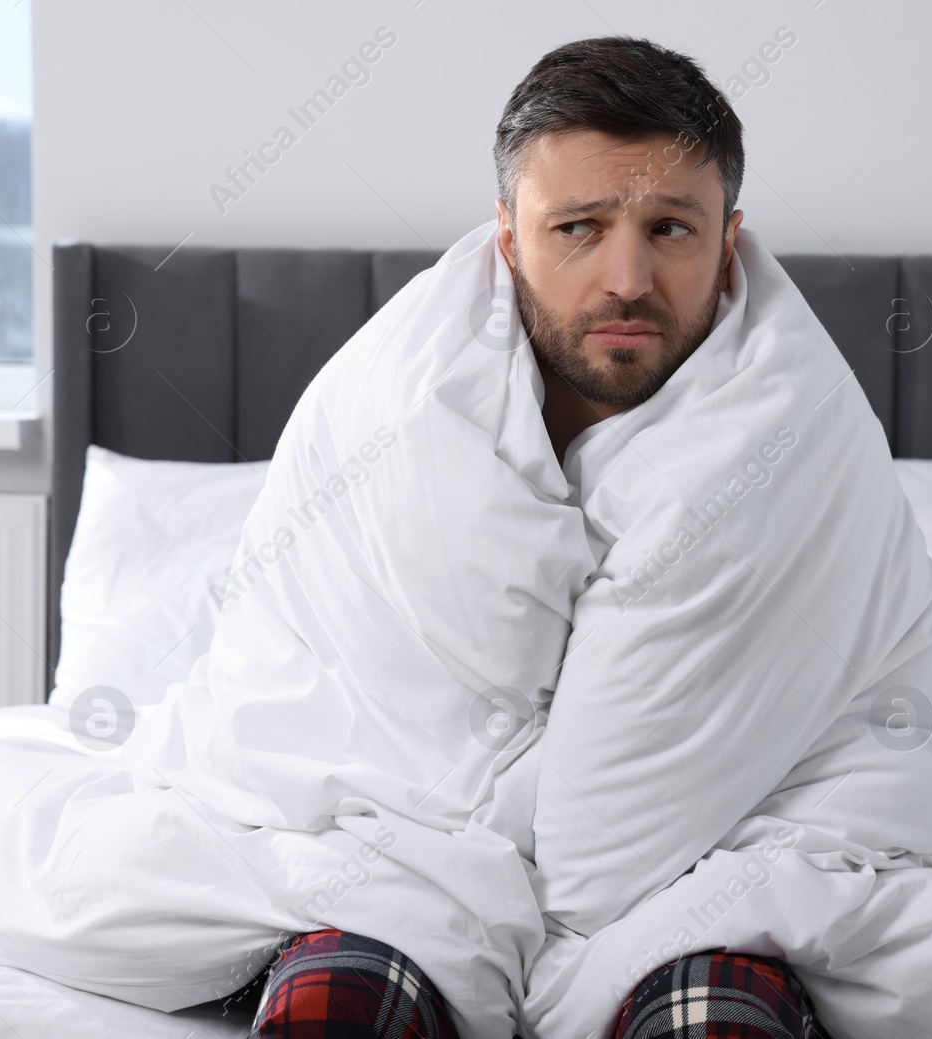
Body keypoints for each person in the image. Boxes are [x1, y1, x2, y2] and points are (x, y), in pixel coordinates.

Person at [244, 36, 836, 1039]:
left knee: (716, 1019)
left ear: (728, 241)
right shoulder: (390, 408)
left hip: (727, 848)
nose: (626, 278)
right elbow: (316, 697)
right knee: (335, 1013)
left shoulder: (802, 430)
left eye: (669, 229)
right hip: (394, 846)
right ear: (508, 239)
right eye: (579, 227)